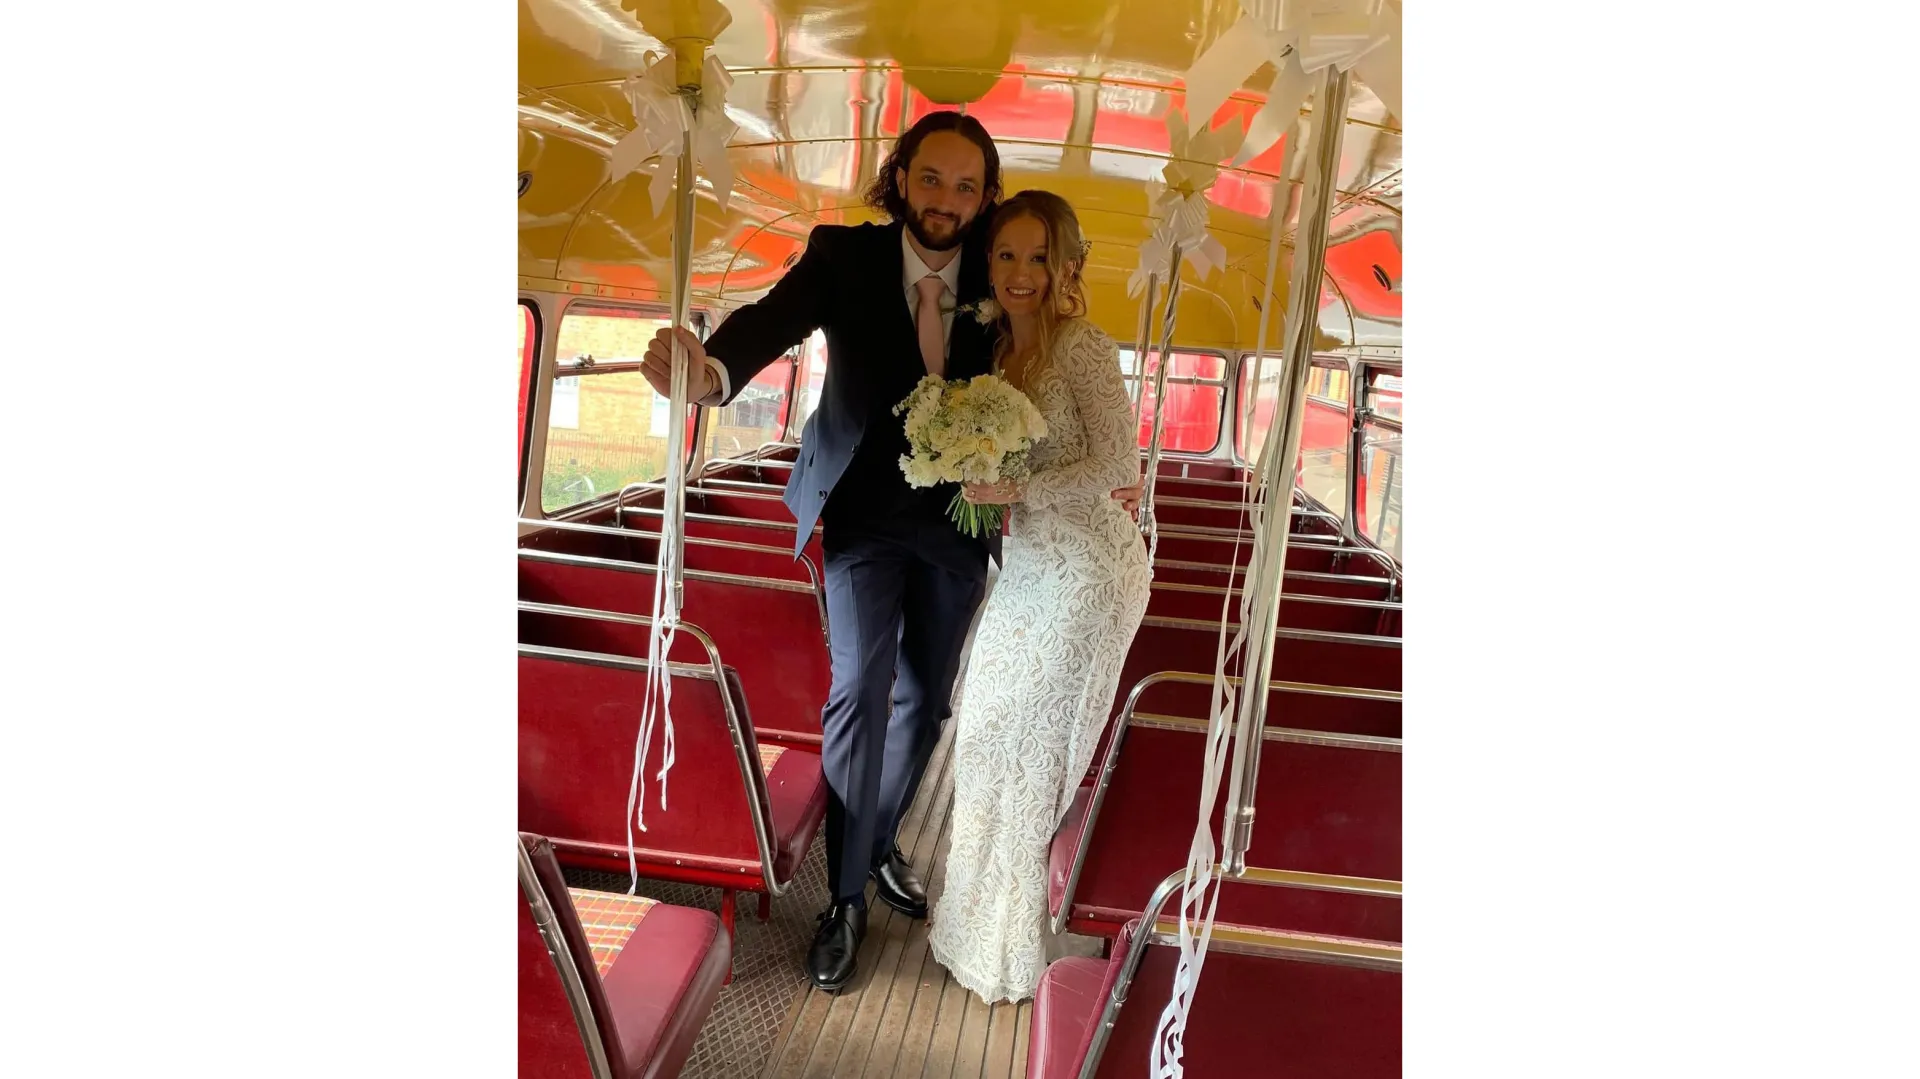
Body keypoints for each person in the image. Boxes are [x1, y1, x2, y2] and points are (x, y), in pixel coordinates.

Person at [926, 191, 1153, 1004]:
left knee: (1032, 745)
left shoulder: (1082, 347)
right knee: (984, 722)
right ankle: (972, 921)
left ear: (1066, 268)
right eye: (1007, 256)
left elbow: (1118, 466)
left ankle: (1014, 944)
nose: (1020, 274)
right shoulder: (997, 353)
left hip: (1090, 570)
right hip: (1026, 565)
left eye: (1038, 257)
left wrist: (1016, 483)